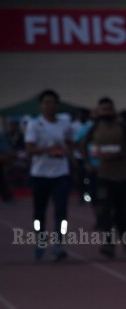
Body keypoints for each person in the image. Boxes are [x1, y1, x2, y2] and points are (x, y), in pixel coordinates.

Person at [80, 97, 126, 259]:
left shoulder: (123, 128)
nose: (106, 112)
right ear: (98, 111)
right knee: (105, 211)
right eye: (103, 109)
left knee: (122, 212)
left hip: (122, 175)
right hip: (103, 175)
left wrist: (119, 154)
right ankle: (108, 243)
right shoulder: (94, 128)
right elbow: (83, 144)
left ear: (114, 110)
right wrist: (88, 163)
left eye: (109, 109)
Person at [24, 89, 72, 262]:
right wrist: (47, 150)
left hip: (60, 173)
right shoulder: (34, 124)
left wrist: (64, 150)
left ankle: (59, 243)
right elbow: (29, 149)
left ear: (57, 105)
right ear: (41, 105)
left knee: (61, 211)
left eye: (53, 102)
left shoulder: (64, 123)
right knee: (39, 213)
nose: (50, 105)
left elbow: (69, 143)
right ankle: (40, 239)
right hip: (40, 174)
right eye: (46, 102)